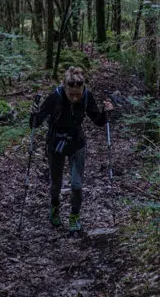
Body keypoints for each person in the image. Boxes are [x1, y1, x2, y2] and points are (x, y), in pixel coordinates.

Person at [30, 66, 113, 232]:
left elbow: (97, 120)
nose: (75, 98)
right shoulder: (55, 97)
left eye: (78, 94)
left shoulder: (87, 97)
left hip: (77, 142)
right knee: (56, 183)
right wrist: (33, 113)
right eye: (71, 94)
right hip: (56, 142)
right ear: (65, 88)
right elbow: (35, 124)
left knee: (76, 184)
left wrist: (106, 112)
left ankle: (74, 216)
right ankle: (54, 207)